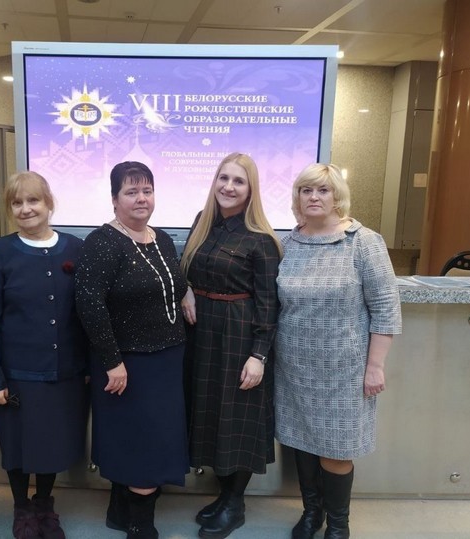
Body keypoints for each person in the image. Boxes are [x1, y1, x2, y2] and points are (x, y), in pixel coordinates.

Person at [274, 163, 402, 539]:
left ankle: (338, 525)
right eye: (306, 190)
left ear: (337, 196)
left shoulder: (363, 242)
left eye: (323, 190)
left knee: (336, 448)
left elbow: (386, 308)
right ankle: (311, 513)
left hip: (344, 370)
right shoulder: (287, 244)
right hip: (293, 367)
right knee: (300, 442)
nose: (314, 197)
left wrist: (375, 366)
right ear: (297, 197)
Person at [74, 161, 189, 539]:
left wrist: (186, 292)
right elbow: (89, 306)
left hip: (166, 359)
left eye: (147, 190)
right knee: (142, 444)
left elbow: (172, 281)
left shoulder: (162, 238)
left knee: (152, 439)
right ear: (114, 199)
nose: (142, 198)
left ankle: (120, 512)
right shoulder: (102, 242)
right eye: (131, 191)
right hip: (127, 363)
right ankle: (141, 525)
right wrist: (112, 361)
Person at [0, 171, 89, 539]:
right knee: (18, 445)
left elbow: (86, 313)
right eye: (17, 203)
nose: (26, 209)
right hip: (17, 373)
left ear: (49, 203)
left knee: (51, 444)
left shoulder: (75, 248)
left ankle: (44, 504)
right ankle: (21, 507)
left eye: (33, 200)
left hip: (65, 371)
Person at [180, 152, 282, 539]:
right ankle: (224, 497)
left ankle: (235, 503)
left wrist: (259, 355)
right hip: (201, 332)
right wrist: (186, 290)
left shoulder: (262, 240)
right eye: (223, 178)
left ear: (251, 189)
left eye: (239, 181)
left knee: (238, 417)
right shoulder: (202, 223)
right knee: (210, 413)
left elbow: (269, 305)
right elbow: (183, 268)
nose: (228, 186)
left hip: (240, 335)